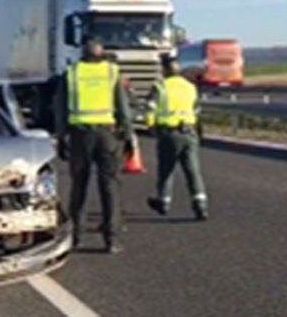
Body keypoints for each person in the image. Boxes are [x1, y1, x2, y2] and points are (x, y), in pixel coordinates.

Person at [55, 37, 135, 254]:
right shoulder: (111, 72)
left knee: (78, 187)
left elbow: (60, 109)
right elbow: (122, 107)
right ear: (102, 53)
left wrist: (61, 137)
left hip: (80, 136)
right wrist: (128, 134)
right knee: (109, 187)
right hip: (107, 135)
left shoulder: (71, 73)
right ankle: (112, 239)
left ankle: (76, 237)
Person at [145, 54, 208, 220]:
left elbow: (150, 109)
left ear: (165, 70)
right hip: (189, 132)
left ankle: (163, 202)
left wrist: (151, 126)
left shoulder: (160, 87)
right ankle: (200, 205)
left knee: (166, 170)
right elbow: (197, 111)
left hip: (169, 134)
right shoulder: (190, 87)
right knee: (193, 171)